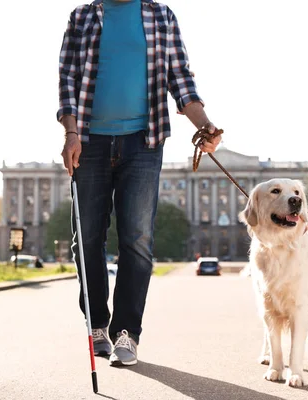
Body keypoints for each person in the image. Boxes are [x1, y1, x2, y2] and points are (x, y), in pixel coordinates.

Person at [57, 0, 221, 367]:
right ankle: (97, 324)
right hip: (89, 141)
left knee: (137, 239)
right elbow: (67, 81)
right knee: (86, 238)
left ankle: (127, 332)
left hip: (143, 143)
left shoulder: (160, 16)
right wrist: (70, 133)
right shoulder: (83, 16)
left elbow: (180, 79)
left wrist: (205, 126)